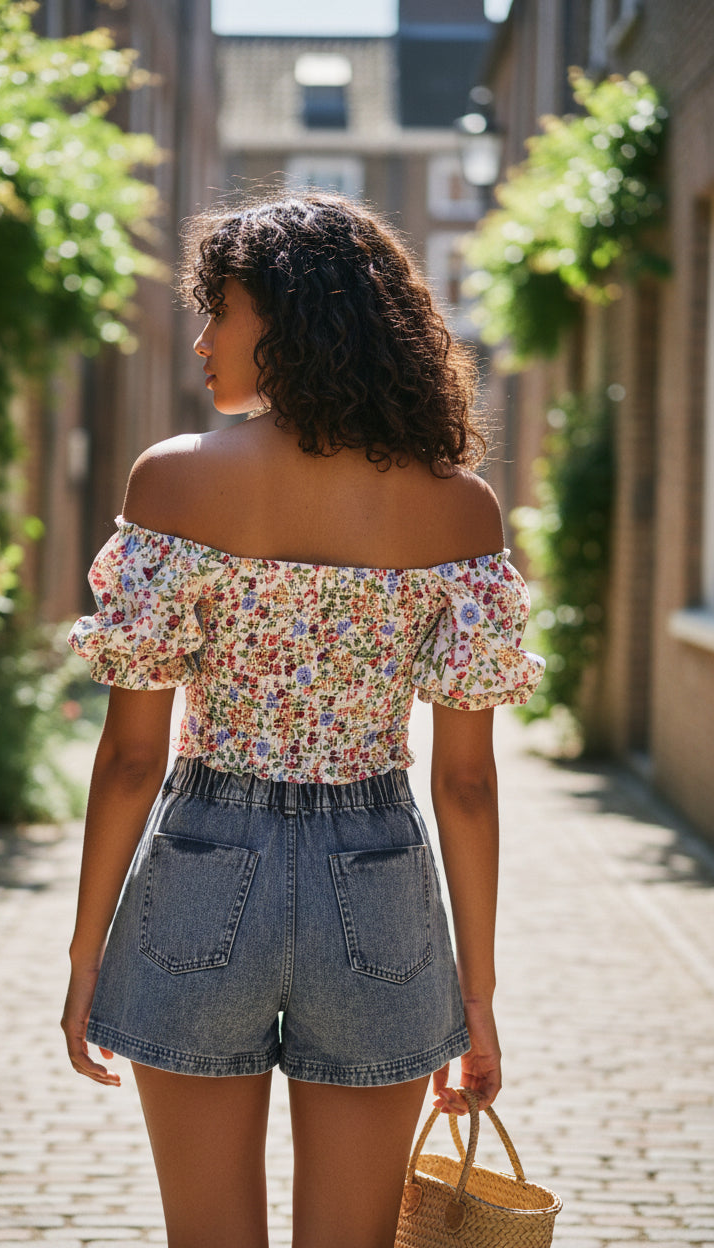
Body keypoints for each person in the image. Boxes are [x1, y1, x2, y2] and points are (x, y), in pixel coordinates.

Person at [63, 193, 544, 1248]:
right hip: (377, 886)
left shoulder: (174, 482)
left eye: (217, 312)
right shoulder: (459, 509)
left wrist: (85, 953)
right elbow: (464, 782)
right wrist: (478, 994)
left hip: (197, 872)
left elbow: (132, 756)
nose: (200, 340)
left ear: (283, 316)